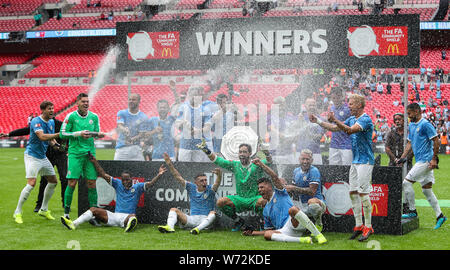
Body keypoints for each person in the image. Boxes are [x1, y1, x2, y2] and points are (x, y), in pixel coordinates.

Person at [310, 94, 375, 241]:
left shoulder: (365, 119)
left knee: (364, 194)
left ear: (359, 105)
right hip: (356, 160)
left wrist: (336, 120)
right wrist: (318, 121)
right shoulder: (352, 118)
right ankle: (358, 225)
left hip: (365, 161)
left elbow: (350, 130)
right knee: (353, 192)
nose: (349, 106)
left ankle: (369, 226)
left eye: (351, 104)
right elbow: (334, 128)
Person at [60, 153, 167, 232]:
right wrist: (95, 162)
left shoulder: (137, 187)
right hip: (114, 217)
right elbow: (103, 174)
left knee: (133, 217)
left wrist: (159, 174)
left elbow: (151, 184)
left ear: (132, 179)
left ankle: (129, 226)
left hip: (127, 217)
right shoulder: (117, 183)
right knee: (93, 209)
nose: (125, 182)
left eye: (127, 179)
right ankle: (73, 224)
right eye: (123, 179)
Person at [243, 158, 327, 244]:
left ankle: (318, 235)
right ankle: (304, 240)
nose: (259, 190)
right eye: (258, 188)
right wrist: (254, 233)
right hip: (285, 230)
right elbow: (269, 230)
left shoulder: (279, 193)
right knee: (268, 234)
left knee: (293, 209)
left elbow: (274, 177)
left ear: (270, 187)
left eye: (262, 187)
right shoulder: (265, 210)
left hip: (295, 222)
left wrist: (261, 164)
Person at [197, 140, 272, 231]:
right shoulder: (235, 165)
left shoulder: (257, 164)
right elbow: (218, 160)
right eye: (240, 152)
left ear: (250, 153)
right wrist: (206, 150)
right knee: (220, 202)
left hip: (255, 198)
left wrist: (267, 153)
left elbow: (269, 161)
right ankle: (238, 221)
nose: (242, 154)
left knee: (264, 201)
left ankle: (262, 222)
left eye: (244, 152)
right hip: (240, 199)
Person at [396, 103, 447, 229]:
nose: (408, 116)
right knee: (426, 190)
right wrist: (403, 157)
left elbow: (436, 140)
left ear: (417, 111)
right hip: (421, 160)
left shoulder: (425, 124)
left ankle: (412, 211)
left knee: (406, 183)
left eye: (410, 113)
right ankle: (440, 216)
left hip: (426, 161)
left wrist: (434, 159)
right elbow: (409, 143)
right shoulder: (412, 125)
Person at [1, 118, 68, 212]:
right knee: (44, 181)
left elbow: (68, 134)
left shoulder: (59, 124)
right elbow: (26, 130)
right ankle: (39, 205)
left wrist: (67, 148)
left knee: (64, 178)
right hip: (47, 154)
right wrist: (9, 134)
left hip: (61, 154)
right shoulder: (40, 123)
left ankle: (65, 204)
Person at [13, 101, 61, 224]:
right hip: (32, 156)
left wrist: (56, 145)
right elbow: (42, 136)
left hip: (42, 157)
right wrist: (59, 134)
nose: (52, 110)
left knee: (53, 181)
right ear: (43, 110)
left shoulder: (50, 122)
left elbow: (50, 139)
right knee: (31, 183)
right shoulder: (36, 121)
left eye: (53, 108)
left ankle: (44, 209)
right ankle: (17, 212)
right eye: (49, 108)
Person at [60, 93, 105, 220]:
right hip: (75, 154)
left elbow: (96, 133)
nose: (86, 103)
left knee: (92, 183)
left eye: (87, 101)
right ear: (77, 103)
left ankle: (93, 216)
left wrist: (98, 134)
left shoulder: (94, 117)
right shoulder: (71, 116)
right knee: (72, 182)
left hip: (90, 154)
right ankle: (67, 214)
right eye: (83, 101)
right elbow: (63, 134)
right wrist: (78, 134)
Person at [157, 153, 223, 234]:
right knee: (173, 210)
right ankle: (170, 227)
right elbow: (178, 177)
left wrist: (219, 176)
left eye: (205, 180)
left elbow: (217, 183)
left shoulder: (210, 189)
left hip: (205, 219)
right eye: (201, 181)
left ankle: (197, 229)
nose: (204, 182)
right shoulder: (191, 187)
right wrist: (170, 165)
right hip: (192, 219)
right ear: (196, 183)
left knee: (213, 213)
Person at [285, 149, 327, 232]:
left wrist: (293, 188)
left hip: (317, 203)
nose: (305, 161)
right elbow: (293, 191)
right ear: (299, 159)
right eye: (303, 159)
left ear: (312, 160)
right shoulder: (296, 171)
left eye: (307, 159)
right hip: (302, 205)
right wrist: (285, 188)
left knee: (312, 203)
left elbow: (312, 192)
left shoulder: (314, 171)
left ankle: (318, 223)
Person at [175, 85, 214, 162]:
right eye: (192, 95)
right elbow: (178, 125)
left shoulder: (205, 109)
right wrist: (184, 125)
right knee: (184, 169)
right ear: (188, 95)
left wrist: (197, 131)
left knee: (197, 169)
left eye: (196, 95)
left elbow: (207, 127)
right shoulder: (183, 107)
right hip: (185, 146)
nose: (194, 97)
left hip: (198, 146)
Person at [267, 96, 297, 177]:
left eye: (282, 105)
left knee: (289, 176)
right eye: (278, 105)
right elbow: (271, 128)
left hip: (288, 152)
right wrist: (281, 135)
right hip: (275, 153)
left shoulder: (290, 116)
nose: (281, 107)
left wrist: (292, 136)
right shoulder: (271, 117)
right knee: (275, 176)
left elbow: (294, 129)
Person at [114, 93, 149, 161]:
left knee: (140, 171)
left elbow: (141, 134)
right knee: (117, 170)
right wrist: (124, 129)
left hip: (136, 149)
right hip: (122, 149)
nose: (131, 101)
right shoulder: (122, 113)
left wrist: (132, 139)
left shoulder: (143, 117)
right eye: (129, 99)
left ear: (139, 101)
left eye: (133, 100)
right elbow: (120, 125)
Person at [295, 98, 325, 165]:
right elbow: (293, 133)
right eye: (310, 105)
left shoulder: (320, 119)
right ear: (305, 106)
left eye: (313, 105)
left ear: (316, 106)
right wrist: (298, 122)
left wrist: (305, 126)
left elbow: (318, 137)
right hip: (300, 152)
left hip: (315, 152)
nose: (312, 107)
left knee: (317, 174)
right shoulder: (299, 118)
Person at [328, 88, 353, 165]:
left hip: (346, 144)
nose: (335, 100)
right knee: (333, 169)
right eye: (333, 98)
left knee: (347, 169)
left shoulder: (348, 109)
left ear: (342, 96)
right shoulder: (331, 108)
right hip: (334, 144)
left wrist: (334, 121)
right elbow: (330, 122)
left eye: (337, 97)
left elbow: (347, 125)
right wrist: (329, 120)